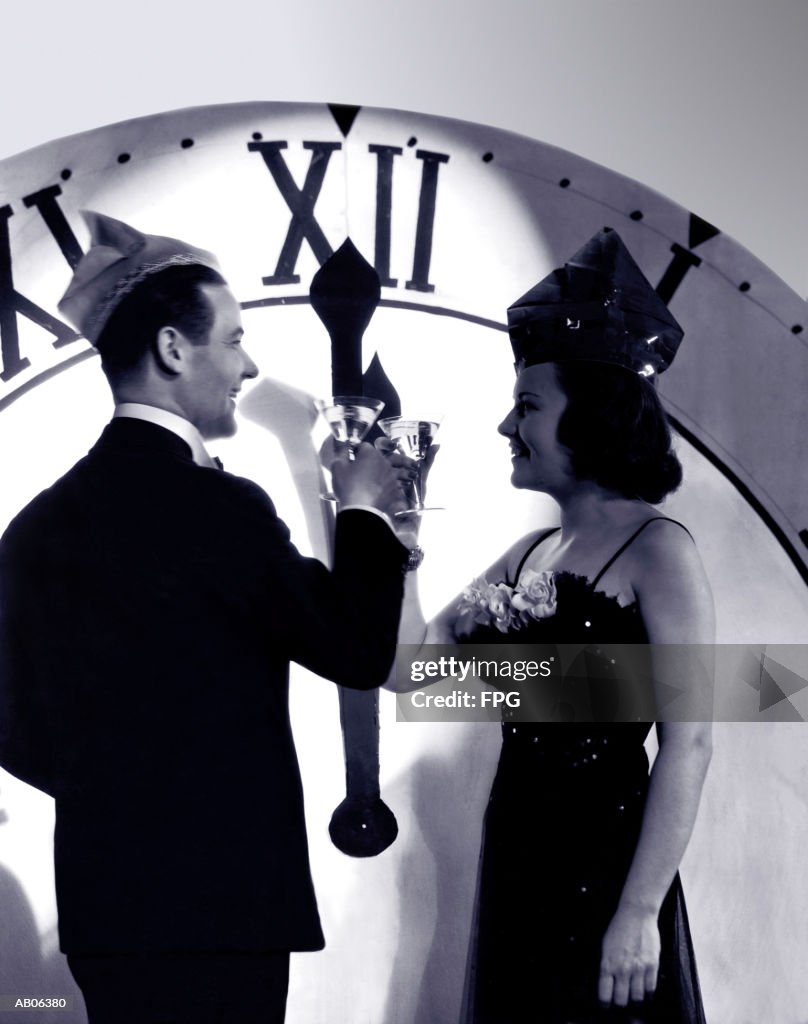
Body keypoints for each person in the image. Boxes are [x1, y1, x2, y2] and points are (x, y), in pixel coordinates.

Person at [0, 212, 413, 1024]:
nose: (248, 364)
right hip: (226, 911)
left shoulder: (37, 524)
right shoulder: (222, 509)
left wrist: (114, 791)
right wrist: (364, 510)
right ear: (171, 350)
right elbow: (360, 650)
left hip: (105, 910)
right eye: (232, 340)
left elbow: (8, 724)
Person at [392, 228, 714, 1023]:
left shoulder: (659, 551)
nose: (508, 427)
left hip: (608, 868)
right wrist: (399, 540)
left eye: (527, 406)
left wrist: (639, 914)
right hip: (518, 854)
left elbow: (692, 742)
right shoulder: (527, 551)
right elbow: (411, 672)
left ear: (593, 416)